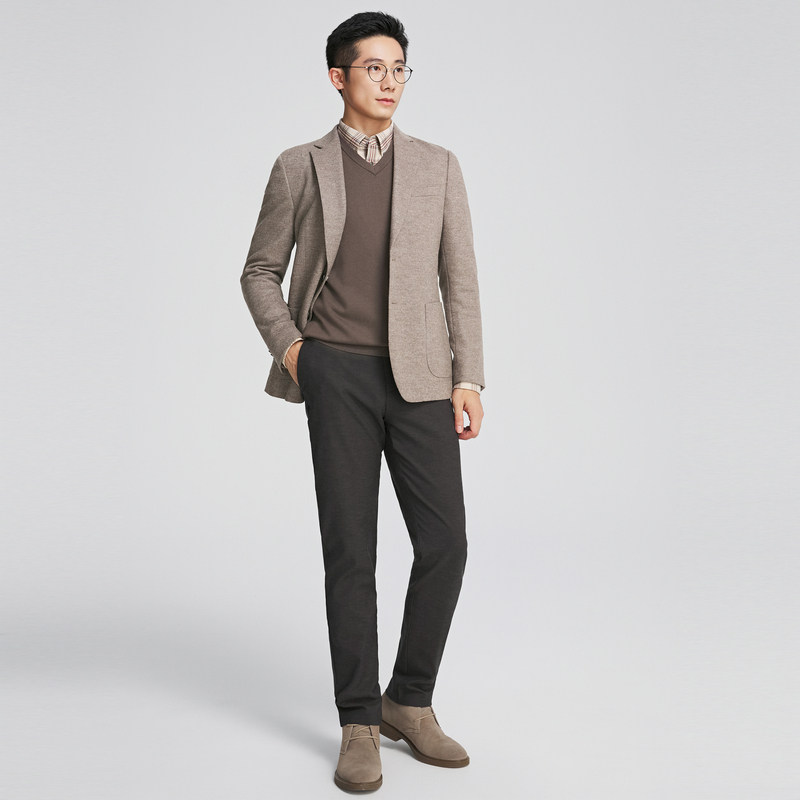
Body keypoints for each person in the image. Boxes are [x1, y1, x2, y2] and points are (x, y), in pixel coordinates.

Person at [240, 11, 485, 793]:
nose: (390, 82)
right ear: (338, 77)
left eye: (399, 68)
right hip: (336, 374)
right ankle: (358, 721)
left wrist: (469, 378)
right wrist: (295, 351)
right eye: (374, 68)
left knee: (445, 543)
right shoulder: (298, 166)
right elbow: (259, 270)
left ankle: (408, 699)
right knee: (351, 552)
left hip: (422, 379)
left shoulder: (438, 166)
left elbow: (460, 278)